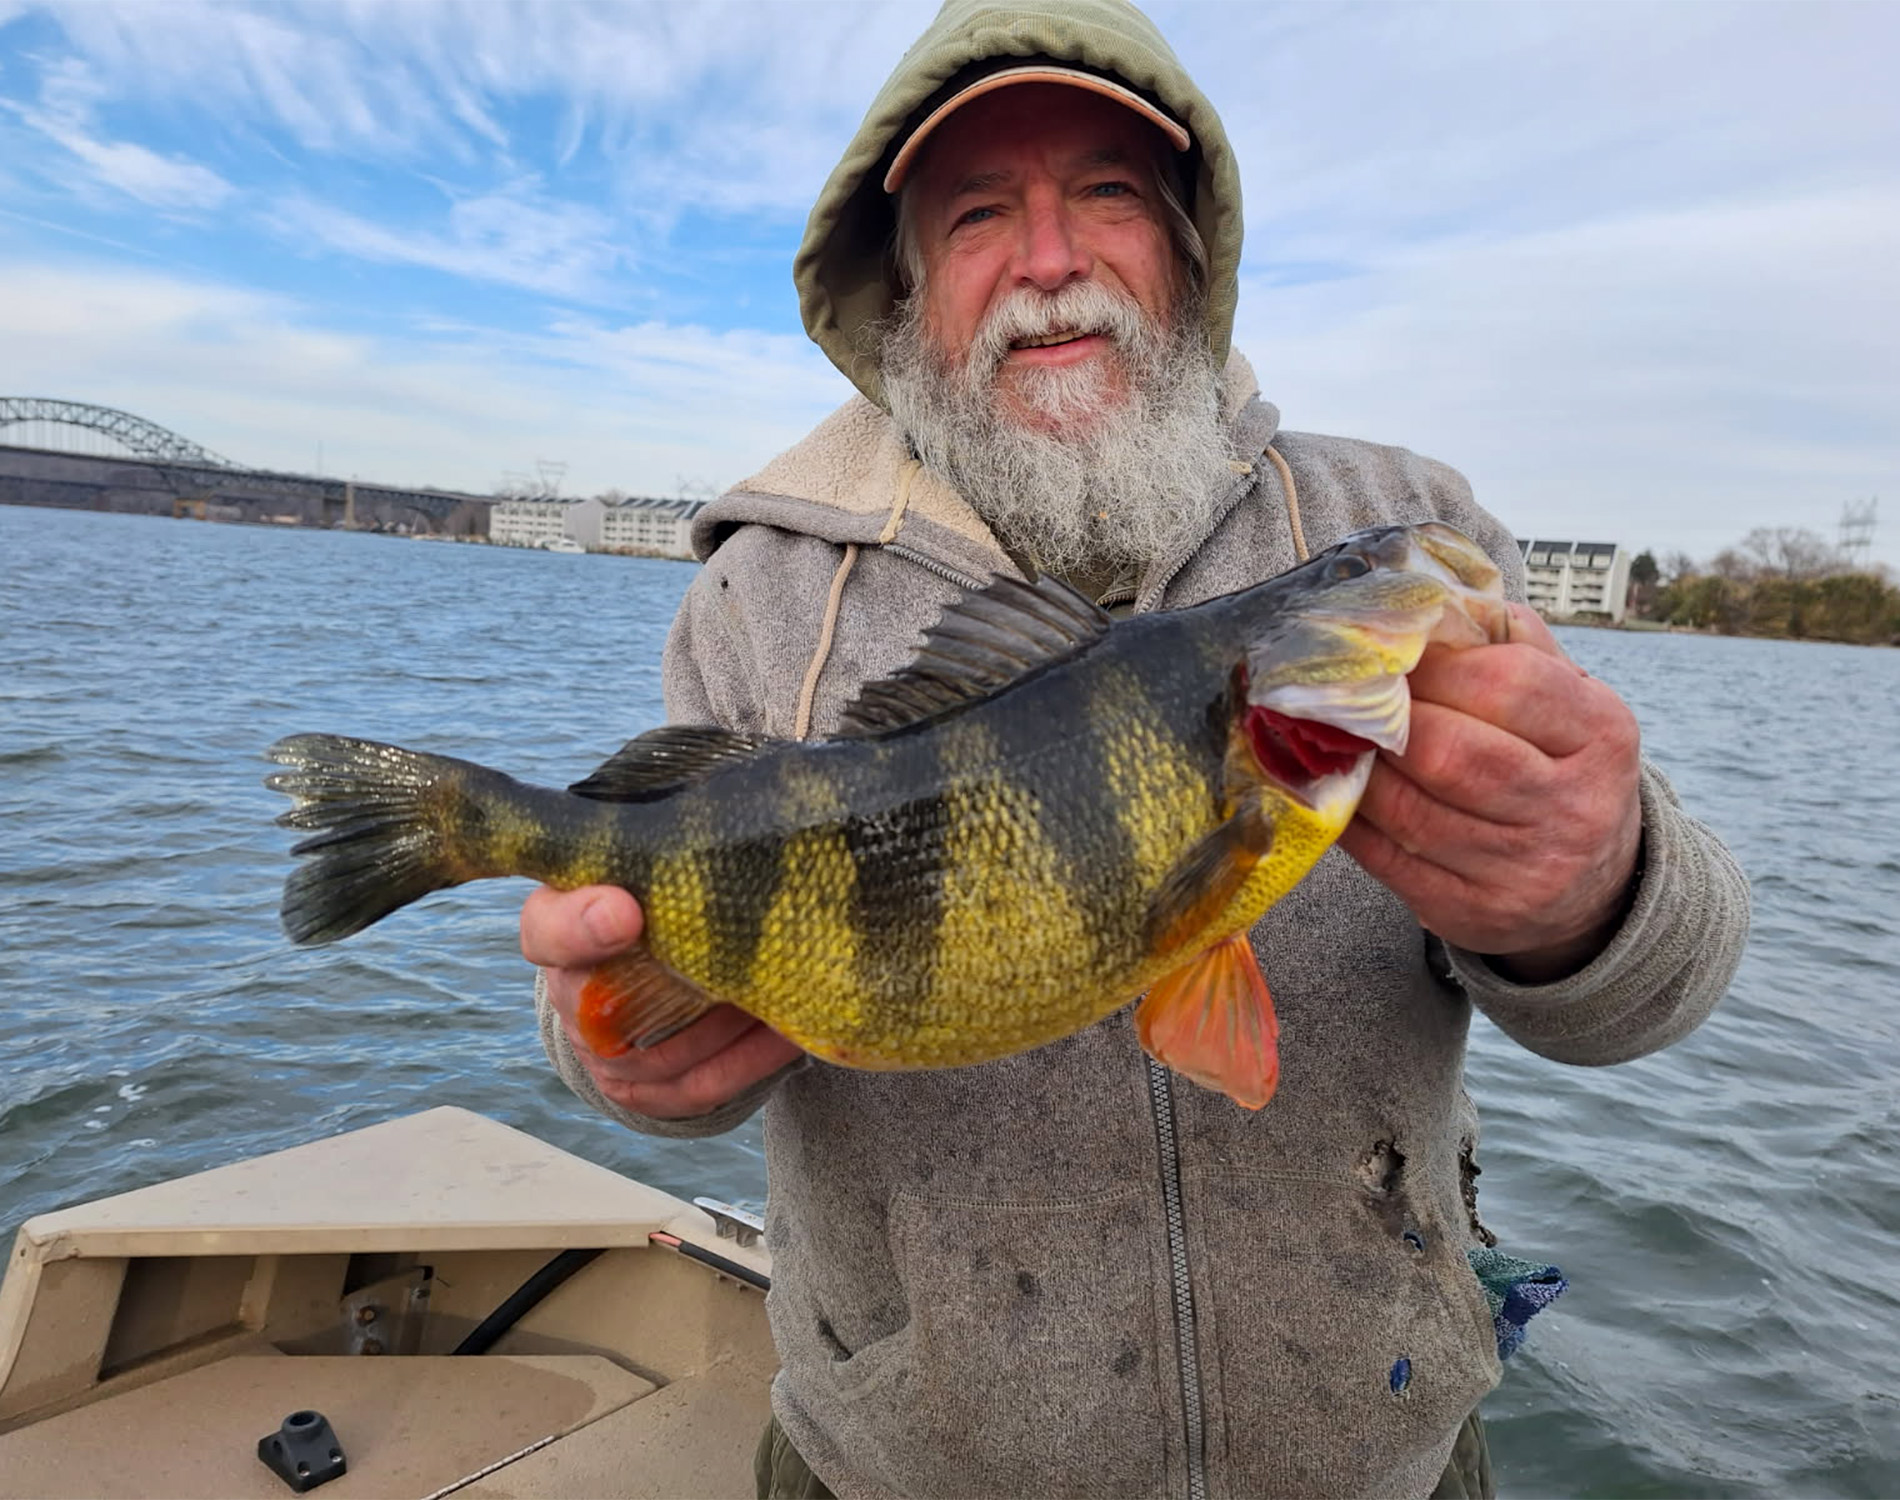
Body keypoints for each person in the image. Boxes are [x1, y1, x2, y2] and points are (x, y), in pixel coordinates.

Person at [524, 2, 1751, 1495]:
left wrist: (1592, 895)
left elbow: (1658, 989)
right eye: (980, 213)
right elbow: (624, 988)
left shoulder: (1394, 535)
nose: (1050, 262)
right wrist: (627, 1055)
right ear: (905, 289)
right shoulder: (760, 596)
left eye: (1105, 192)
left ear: (1189, 244)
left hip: (1383, 1460)